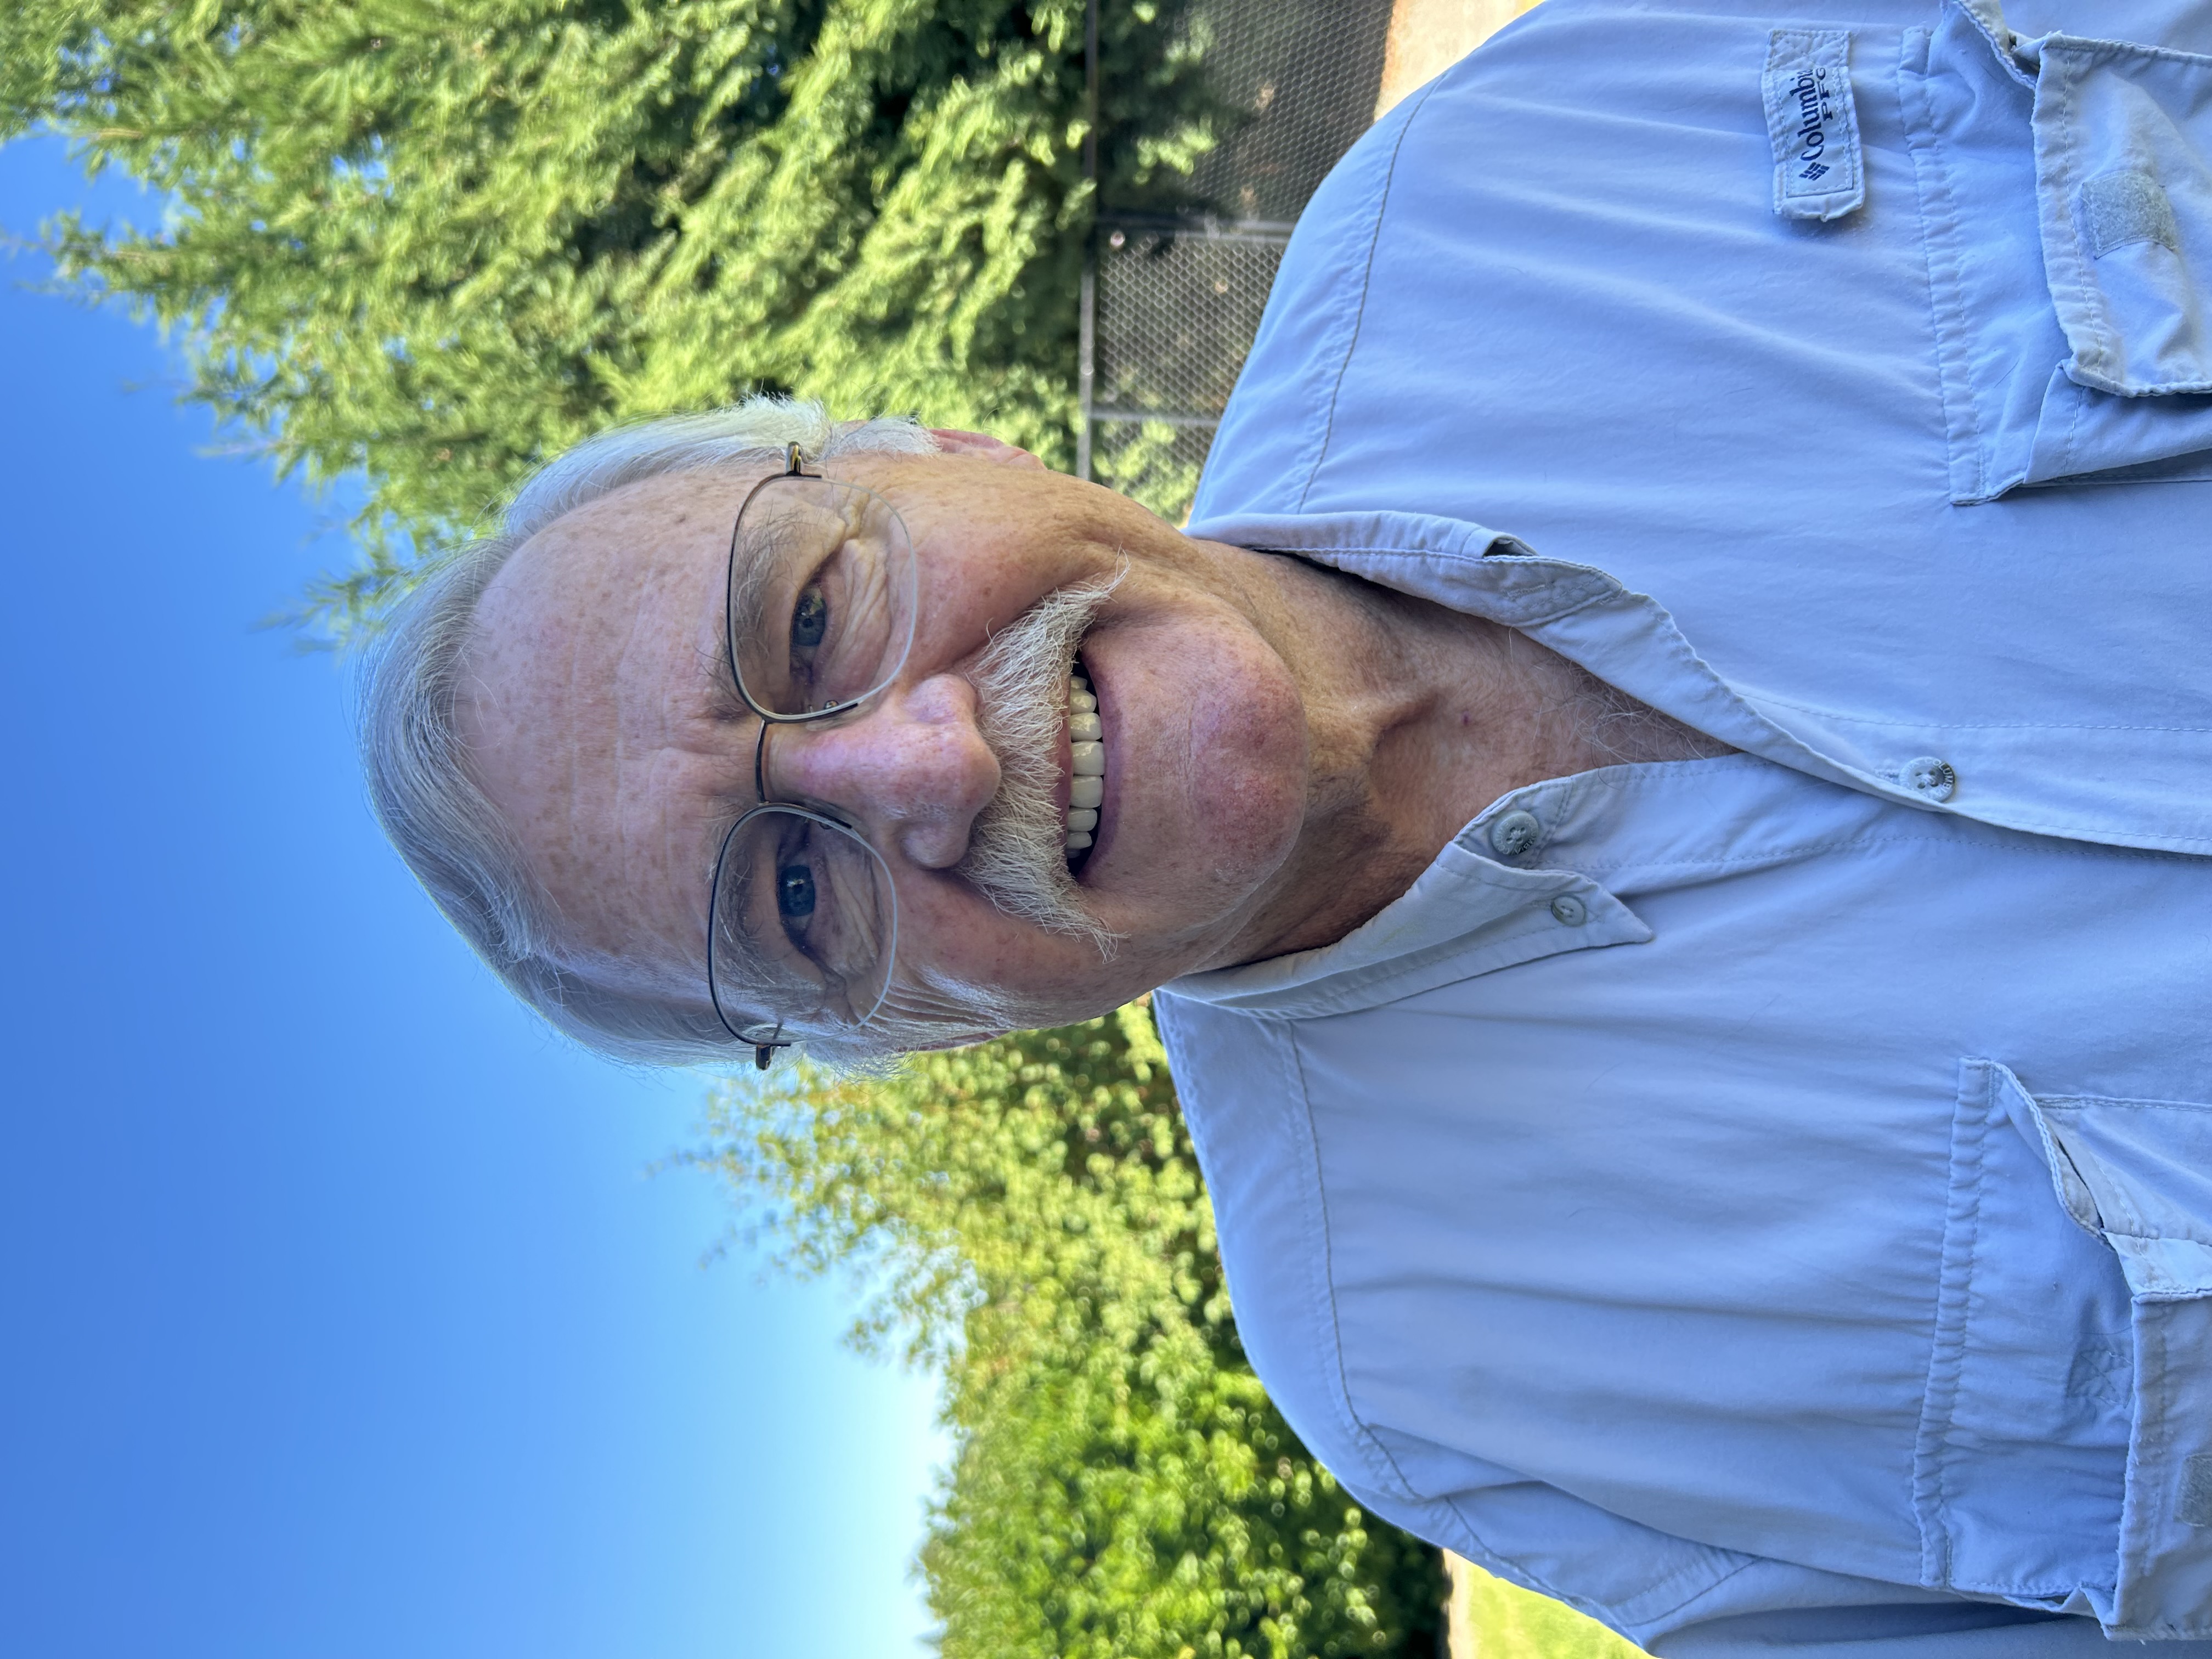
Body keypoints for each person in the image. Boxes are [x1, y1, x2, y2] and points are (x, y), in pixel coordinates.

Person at [357, 0, 2212, 1650]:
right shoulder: (1444, 1386)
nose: (922, 772)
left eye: (811, 623)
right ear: (896, 1037)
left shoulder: (1529, 159)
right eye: (784, 895)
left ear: (943, 457)